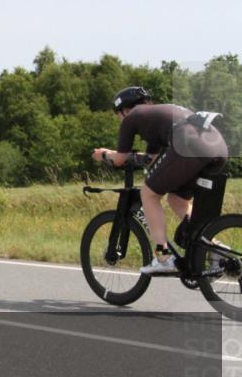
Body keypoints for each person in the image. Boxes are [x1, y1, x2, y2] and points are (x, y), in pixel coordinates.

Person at [92, 87, 229, 275]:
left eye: (118, 115)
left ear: (124, 110)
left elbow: (119, 160)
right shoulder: (158, 117)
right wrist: (132, 157)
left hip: (189, 146)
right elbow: (152, 159)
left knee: (148, 194)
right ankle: (215, 250)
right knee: (177, 199)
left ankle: (163, 257)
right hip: (218, 148)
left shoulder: (132, 117)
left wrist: (104, 154)